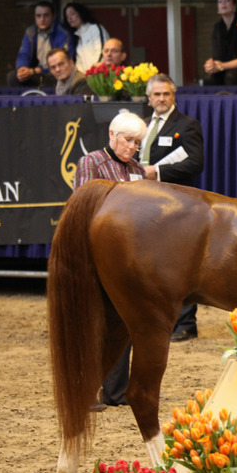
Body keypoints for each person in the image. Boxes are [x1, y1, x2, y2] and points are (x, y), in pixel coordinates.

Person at [72, 110, 147, 409]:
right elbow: (86, 207)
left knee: (122, 323)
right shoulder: (91, 162)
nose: (132, 147)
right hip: (96, 254)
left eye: (137, 143)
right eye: (128, 140)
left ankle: (115, 392)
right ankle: (83, 392)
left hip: (129, 260)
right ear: (112, 136)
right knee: (93, 324)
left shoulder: (138, 170)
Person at [139, 73, 206, 341]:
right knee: (153, 264)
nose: (161, 99)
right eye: (156, 94)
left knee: (180, 262)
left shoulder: (187, 125)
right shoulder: (142, 126)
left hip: (177, 204)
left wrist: (157, 171)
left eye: (166, 94)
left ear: (174, 96)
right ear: (149, 98)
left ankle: (186, 324)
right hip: (146, 204)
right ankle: (160, 320)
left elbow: (195, 163)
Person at [7, 0, 72, 88]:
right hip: (34, 72)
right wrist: (22, 69)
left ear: (53, 16)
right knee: (12, 77)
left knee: (54, 77)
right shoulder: (30, 32)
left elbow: (62, 61)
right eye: (38, 16)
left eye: (46, 15)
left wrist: (34, 71)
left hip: (54, 72)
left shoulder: (63, 33)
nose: (42, 19)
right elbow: (23, 54)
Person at [63, 2, 109, 74]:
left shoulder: (95, 28)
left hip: (99, 74)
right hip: (86, 78)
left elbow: (102, 51)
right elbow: (79, 61)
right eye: (67, 16)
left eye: (72, 14)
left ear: (81, 13)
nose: (70, 18)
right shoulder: (76, 36)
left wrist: (93, 71)